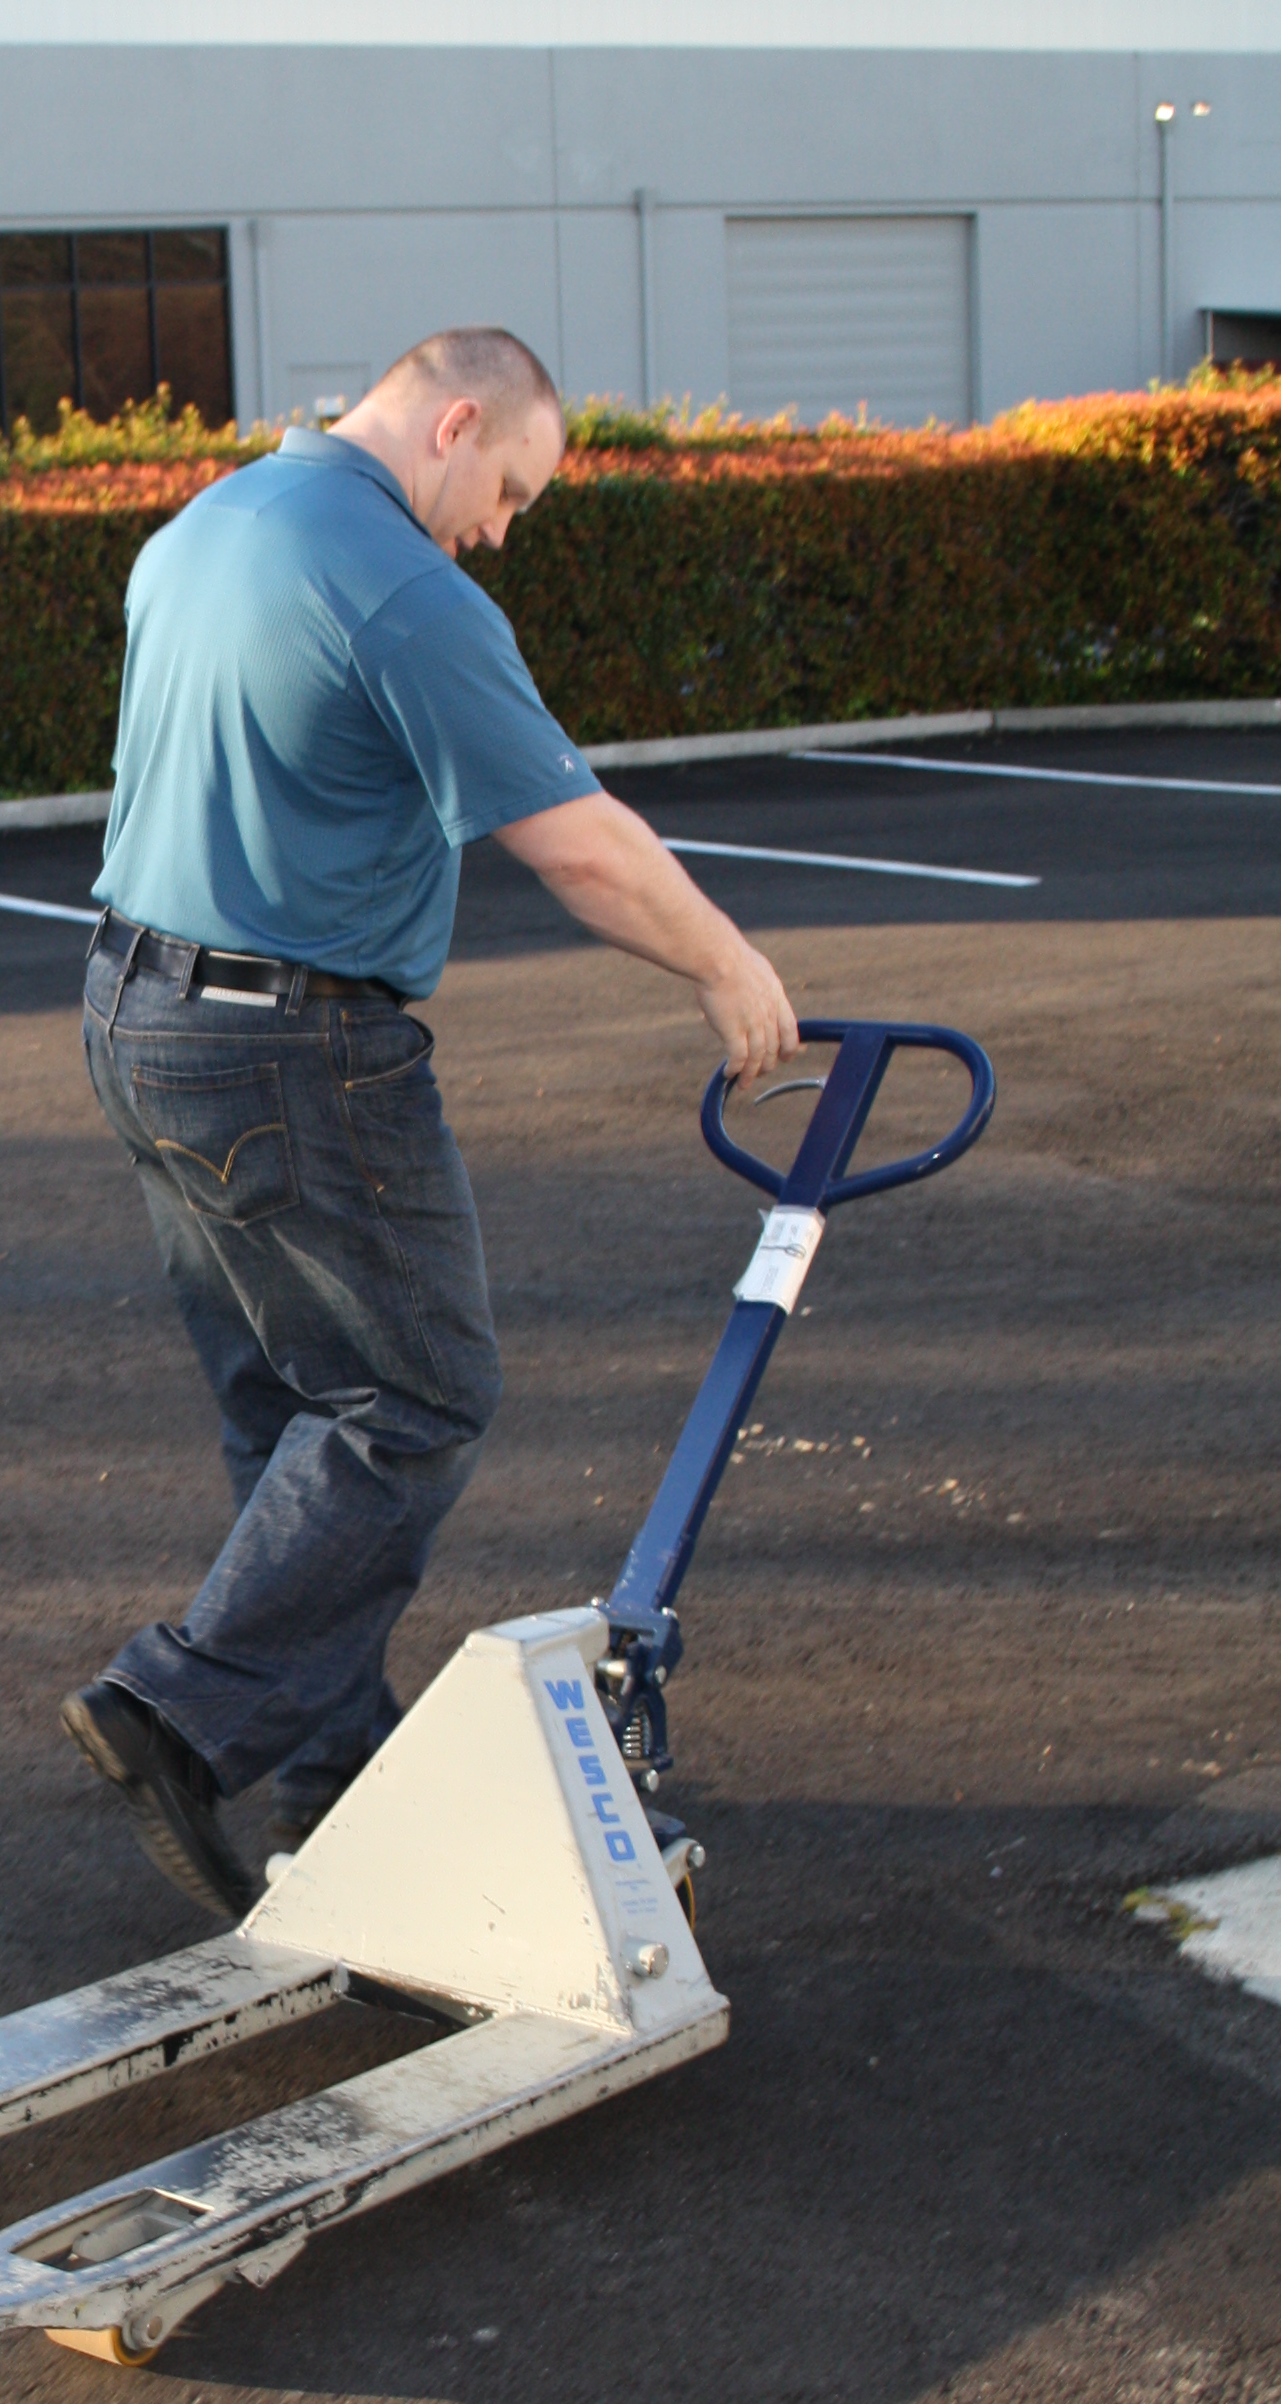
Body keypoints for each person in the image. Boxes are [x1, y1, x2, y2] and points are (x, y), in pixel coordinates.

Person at [63, 325, 798, 1918]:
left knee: (293, 1411)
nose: (502, 530)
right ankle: (174, 1710)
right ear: (457, 423)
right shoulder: (401, 587)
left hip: (137, 1010)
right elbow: (579, 843)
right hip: (291, 1048)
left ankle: (335, 1781)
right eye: (513, 490)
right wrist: (728, 966)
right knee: (417, 1396)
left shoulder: (210, 525)